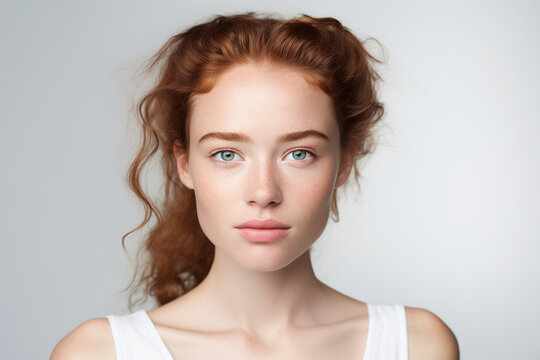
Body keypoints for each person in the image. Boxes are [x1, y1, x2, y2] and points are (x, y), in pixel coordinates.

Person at [51, 12, 459, 359]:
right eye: (227, 154)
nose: (264, 193)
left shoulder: (416, 346)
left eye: (299, 154)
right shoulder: (99, 352)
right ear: (184, 163)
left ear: (345, 161)